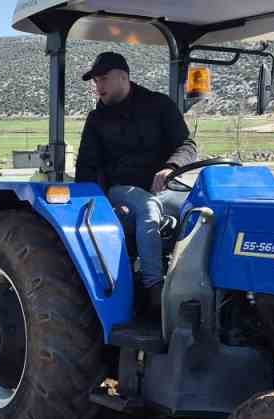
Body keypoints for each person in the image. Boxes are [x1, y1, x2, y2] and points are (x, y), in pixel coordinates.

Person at [73, 51, 197, 309]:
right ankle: (155, 289)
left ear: (123, 77)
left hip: (164, 186)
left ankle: (197, 283)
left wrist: (171, 166)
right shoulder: (97, 119)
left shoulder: (159, 105)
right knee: (147, 207)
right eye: (96, 81)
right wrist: (104, 205)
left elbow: (186, 144)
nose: (98, 87)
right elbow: (86, 167)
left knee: (202, 207)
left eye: (103, 79)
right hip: (120, 191)